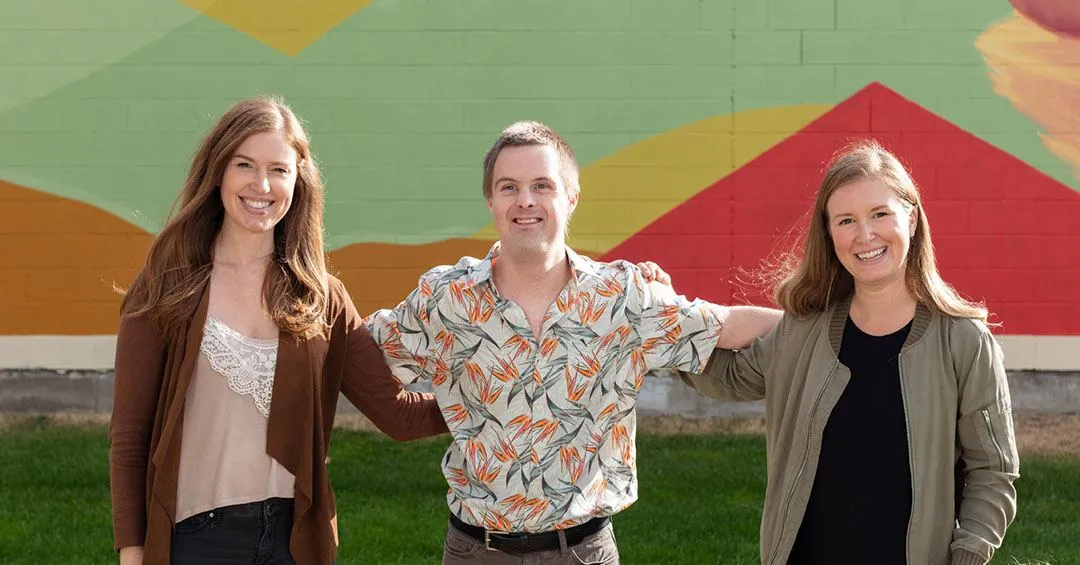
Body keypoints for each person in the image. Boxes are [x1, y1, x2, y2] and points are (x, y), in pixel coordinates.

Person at [366, 120, 782, 564]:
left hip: (582, 551)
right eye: (509, 187)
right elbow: (357, 350)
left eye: (542, 185)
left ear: (572, 197)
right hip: (476, 550)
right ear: (490, 200)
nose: (525, 201)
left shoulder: (621, 296)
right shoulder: (446, 299)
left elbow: (727, 324)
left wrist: (841, 319)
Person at [108, 97, 448, 565]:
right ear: (218, 172)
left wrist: (493, 397)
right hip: (197, 541)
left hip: (295, 542)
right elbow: (129, 436)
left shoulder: (321, 297)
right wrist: (132, 551)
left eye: (278, 170)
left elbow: (397, 413)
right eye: (244, 164)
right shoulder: (169, 284)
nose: (261, 185)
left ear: (298, 180)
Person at [683, 140, 1019, 564]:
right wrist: (664, 318)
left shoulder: (964, 342)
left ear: (911, 220)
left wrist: (969, 555)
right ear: (829, 234)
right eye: (846, 220)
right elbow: (729, 376)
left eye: (880, 214)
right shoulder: (803, 330)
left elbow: (992, 472)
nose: (865, 235)